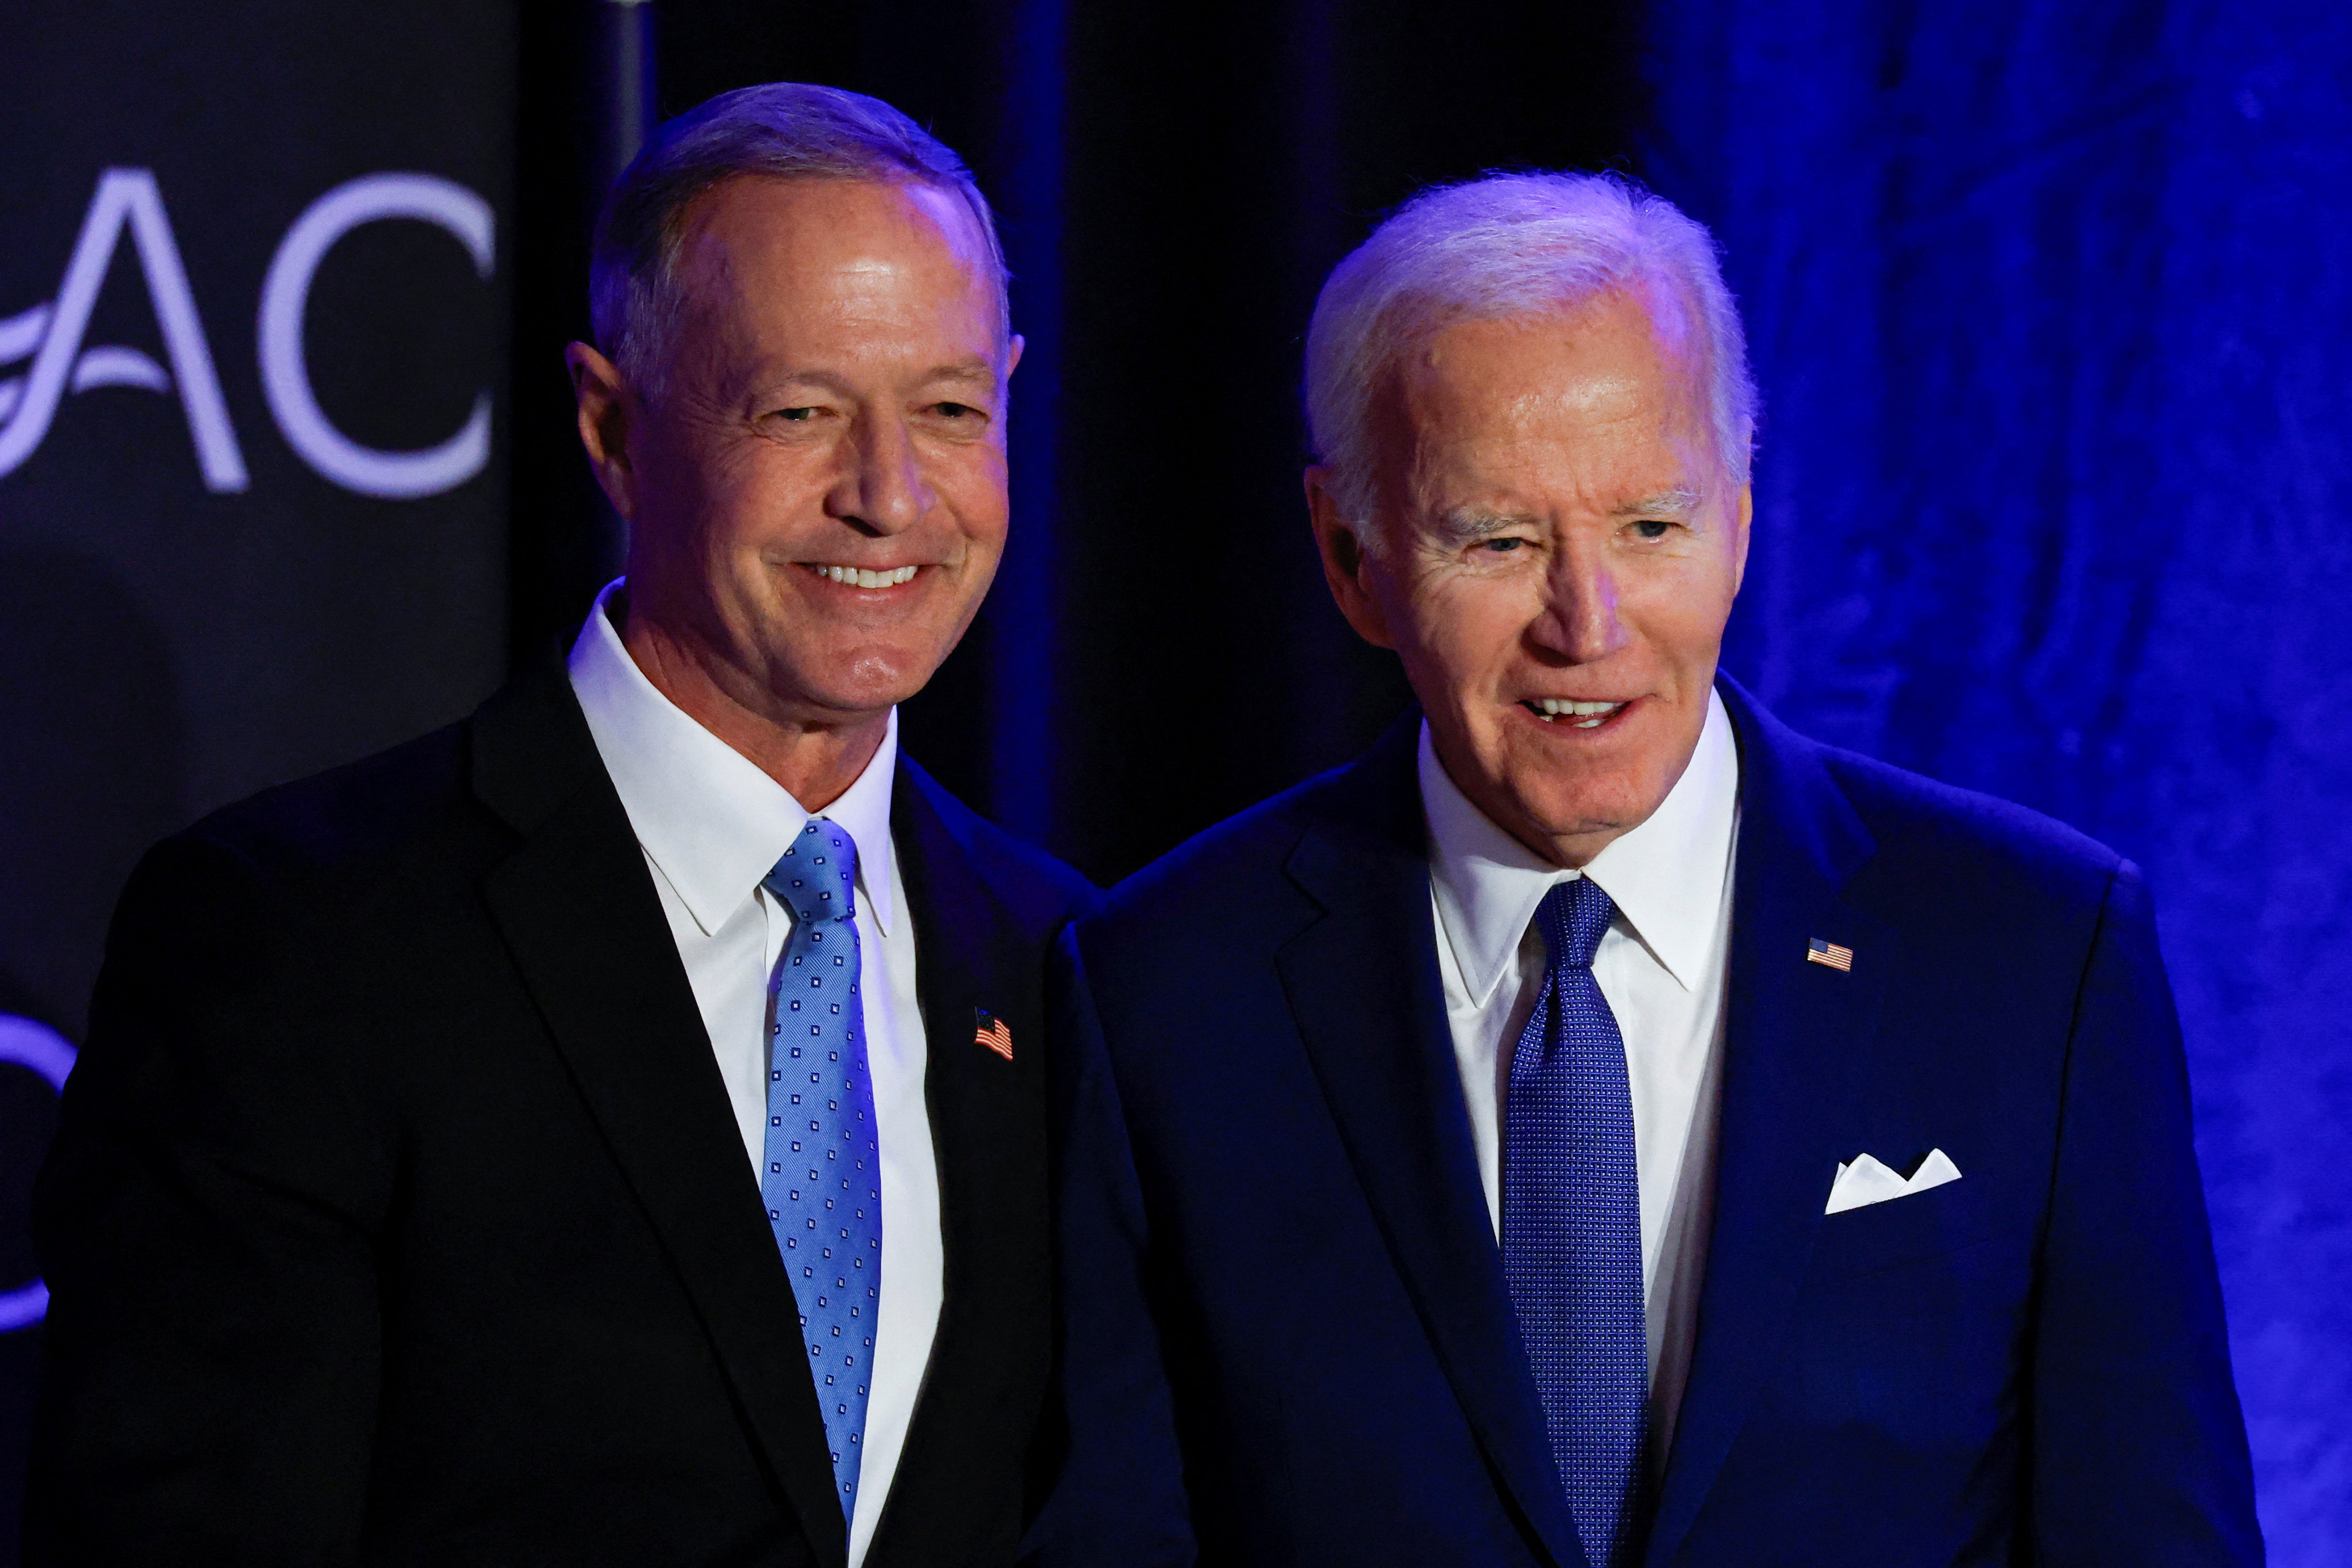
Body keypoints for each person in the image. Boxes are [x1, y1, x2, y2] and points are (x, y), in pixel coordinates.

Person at [1031, 174, 2259, 1566]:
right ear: (1350, 557)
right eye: (1494, 539)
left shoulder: (2034, 953)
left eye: (1648, 527)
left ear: (1737, 524)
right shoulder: (1166, 993)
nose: (1585, 623)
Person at [29, 84, 1090, 1567]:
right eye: (797, 411)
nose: (888, 495)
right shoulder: (298, 938)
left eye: (948, 411)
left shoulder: (1065, 963)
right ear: (611, 428)